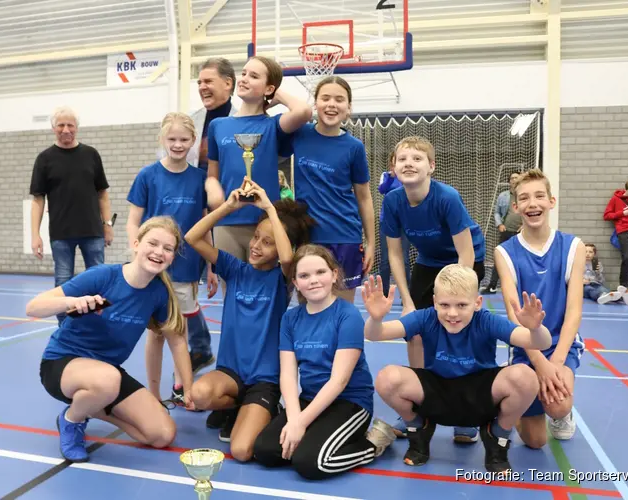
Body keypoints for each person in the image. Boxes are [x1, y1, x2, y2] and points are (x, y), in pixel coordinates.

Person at [27, 216, 191, 463]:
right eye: (153, 243)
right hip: (62, 364)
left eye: (167, 249)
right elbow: (33, 307)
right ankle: (73, 420)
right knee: (108, 380)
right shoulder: (103, 276)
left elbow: (177, 341)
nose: (159, 252)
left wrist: (187, 389)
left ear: (172, 257)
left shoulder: (158, 293)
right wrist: (72, 302)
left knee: (162, 434)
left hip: (107, 376)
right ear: (136, 244)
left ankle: (92, 406)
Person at [362, 266, 550, 473]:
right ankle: (418, 427)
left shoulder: (486, 320)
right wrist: (376, 319)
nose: (452, 313)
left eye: (461, 305)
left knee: (526, 377)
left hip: (480, 395)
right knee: (387, 378)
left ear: (477, 303)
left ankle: (497, 434)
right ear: (434, 302)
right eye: (444, 305)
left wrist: (535, 328)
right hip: (437, 392)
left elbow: (540, 342)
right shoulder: (426, 317)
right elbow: (375, 334)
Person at [185, 180, 315, 462]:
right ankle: (233, 408)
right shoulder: (235, 269)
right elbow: (192, 238)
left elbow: (287, 258)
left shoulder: (282, 279)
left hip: (264, 379)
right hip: (231, 372)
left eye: (267, 242)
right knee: (201, 394)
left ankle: (266, 408)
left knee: (242, 451)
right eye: (256, 237)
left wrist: (269, 207)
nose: (256, 246)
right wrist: (228, 207)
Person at [253, 245, 395, 479]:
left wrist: (300, 424)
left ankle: (373, 444)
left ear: (334, 275)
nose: (314, 280)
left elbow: (339, 381)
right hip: (310, 398)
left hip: (349, 402)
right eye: (304, 276)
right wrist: (293, 419)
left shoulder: (347, 315)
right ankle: (317, 436)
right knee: (265, 451)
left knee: (310, 463)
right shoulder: (290, 319)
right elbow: (288, 376)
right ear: (296, 283)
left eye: (320, 272)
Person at [380, 135, 487, 443]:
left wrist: (457, 294)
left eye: (417, 158)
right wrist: (407, 300)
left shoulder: (447, 197)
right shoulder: (392, 201)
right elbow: (396, 254)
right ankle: (419, 403)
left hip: (465, 260)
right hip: (428, 263)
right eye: (402, 159)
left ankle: (466, 410)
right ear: (394, 168)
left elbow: (465, 252)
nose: (409, 163)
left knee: (456, 326)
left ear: (431, 167)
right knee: (414, 329)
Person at [126, 112, 219, 407]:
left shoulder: (200, 179)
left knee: (179, 331)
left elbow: (206, 225)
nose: (178, 145)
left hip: (188, 266)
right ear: (162, 140)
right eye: (172, 139)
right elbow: (133, 221)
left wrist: (212, 267)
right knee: (156, 334)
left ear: (193, 142)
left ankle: (181, 386)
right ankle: (153, 395)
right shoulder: (148, 176)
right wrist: (136, 254)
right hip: (154, 268)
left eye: (183, 140)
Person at [494, 168, 586, 448]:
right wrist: (538, 363)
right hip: (526, 348)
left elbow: (574, 312)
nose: (532, 203)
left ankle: (560, 414)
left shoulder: (573, 247)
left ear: (551, 201)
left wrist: (554, 364)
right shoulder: (505, 252)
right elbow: (513, 316)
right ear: (516, 207)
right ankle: (514, 402)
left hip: (561, 346)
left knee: (558, 406)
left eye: (539, 196)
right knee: (535, 442)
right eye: (524, 198)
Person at [205, 56, 311, 271]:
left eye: (254, 76)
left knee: (265, 290)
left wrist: (277, 95)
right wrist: (212, 188)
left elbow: (304, 112)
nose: (244, 79)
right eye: (243, 73)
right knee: (232, 290)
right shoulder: (218, 125)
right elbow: (212, 175)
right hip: (227, 221)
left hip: (264, 223)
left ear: (268, 87)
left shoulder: (273, 125)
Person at [288, 76, 376, 302]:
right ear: (314, 104)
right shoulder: (299, 134)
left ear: (348, 108)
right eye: (325, 98)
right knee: (308, 308)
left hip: (345, 236)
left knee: (341, 311)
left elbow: (364, 198)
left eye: (339, 99)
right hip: (309, 238)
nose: (331, 104)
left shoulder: (354, 147)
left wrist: (371, 242)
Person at [29, 106, 115, 324]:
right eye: (61, 125)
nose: (65, 130)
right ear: (53, 128)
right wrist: (35, 235)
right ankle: (65, 327)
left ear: (77, 128)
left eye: (70, 125)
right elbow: (38, 200)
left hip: (92, 231)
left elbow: (103, 194)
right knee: (63, 282)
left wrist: (107, 225)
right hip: (61, 233)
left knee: (98, 280)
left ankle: (97, 323)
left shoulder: (91, 155)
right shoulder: (44, 159)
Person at [189, 58, 239, 172]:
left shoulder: (244, 123)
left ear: (228, 83)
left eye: (208, 81)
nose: (202, 87)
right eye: (199, 83)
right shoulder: (190, 122)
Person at [377, 150, 410, 300]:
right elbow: (382, 190)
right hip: (387, 222)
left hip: (405, 223)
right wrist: (390, 178)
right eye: (394, 161)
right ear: (392, 163)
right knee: (385, 260)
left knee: (404, 259)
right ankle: (383, 294)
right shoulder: (385, 176)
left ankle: (407, 295)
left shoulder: (408, 177)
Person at [482, 171, 522, 294]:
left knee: (521, 260)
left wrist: (525, 225)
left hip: (521, 233)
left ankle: (521, 288)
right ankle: (492, 286)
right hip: (506, 232)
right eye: (512, 178)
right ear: (509, 181)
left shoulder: (524, 195)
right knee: (500, 258)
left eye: (516, 178)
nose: (514, 180)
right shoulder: (503, 196)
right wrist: (499, 224)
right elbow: (497, 212)